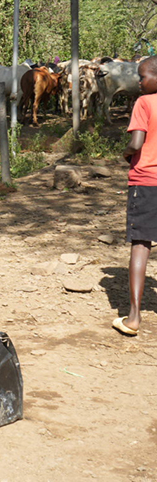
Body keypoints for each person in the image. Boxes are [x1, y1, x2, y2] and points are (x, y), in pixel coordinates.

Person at [112, 56, 157, 336]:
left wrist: (127, 153)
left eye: (142, 76)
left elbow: (136, 141)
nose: (139, 82)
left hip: (146, 180)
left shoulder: (144, 103)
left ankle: (133, 318)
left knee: (140, 244)